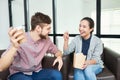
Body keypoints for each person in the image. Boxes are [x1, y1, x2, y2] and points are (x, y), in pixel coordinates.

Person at [0, 12, 63, 80]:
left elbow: (57, 51)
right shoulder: (21, 38)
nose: (50, 31)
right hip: (19, 73)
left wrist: (59, 56)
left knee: (57, 75)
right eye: (48, 28)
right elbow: (1, 66)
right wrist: (14, 47)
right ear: (38, 28)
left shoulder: (47, 40)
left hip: (37, 72)